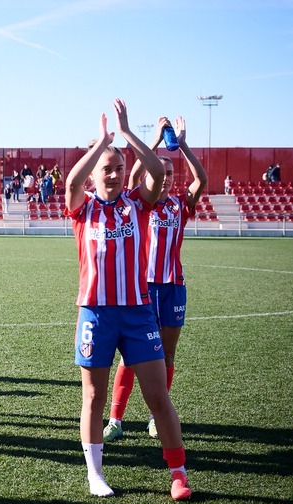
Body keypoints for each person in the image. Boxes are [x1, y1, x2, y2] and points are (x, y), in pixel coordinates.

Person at [64, 99, 192, 500]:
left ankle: (178, 474)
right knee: (93, 397)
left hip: (138, 314)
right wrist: (101, 142)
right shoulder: (82, 209)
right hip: (96, 315)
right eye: (109, 168)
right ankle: (95, 474)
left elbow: (155, 170)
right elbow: (70, 185)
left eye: (120, 168)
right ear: (95, 175)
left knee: (158, 396)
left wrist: (128, 135)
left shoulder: (138, 204)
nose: (116, 174)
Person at [104, 116, 207, 442]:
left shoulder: (180, 206)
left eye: (171, 176)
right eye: (160, 175)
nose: (166, 181)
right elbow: (135, 172)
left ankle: (154, 416)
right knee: (131, 357)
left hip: (173, 287)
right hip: (143, 288)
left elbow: (200, 179)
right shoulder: (139, 203)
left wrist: (183, 143)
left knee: (167, 355)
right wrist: (158, 143)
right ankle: (116, 420)